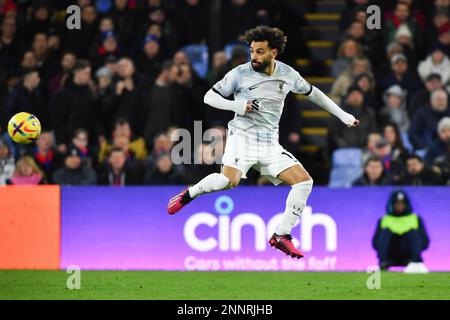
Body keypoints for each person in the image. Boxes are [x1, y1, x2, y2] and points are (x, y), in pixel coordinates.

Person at [167, 26, 360, 259]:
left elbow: (314, 93)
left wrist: (344, 116)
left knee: (304, 182)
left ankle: (281, 235)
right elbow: (209, 97)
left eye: (260, 52)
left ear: (274, 53)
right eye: (252, 51)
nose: (254, 57)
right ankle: (190, 194)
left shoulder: (288, 75)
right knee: (228, 182)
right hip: (242, 138)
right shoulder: (239, 73)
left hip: (269, 144)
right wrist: (237, 106)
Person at [372, 190, 430, 273]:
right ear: (392, 204)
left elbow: (425, 241)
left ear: (406, 204)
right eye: (397, 203)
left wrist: (416, 249)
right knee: (386, 232)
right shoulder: (384, 219)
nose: (399, 206)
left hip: (409, 255)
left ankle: (417, 263)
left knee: (412, 233)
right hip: (389, 254)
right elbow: (376, 242)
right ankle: (383, 263)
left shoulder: (415, 218)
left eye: (402, 203)